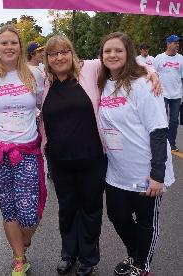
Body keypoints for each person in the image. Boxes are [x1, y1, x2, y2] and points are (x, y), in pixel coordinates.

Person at [39, 35, 161, 276]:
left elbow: (120, 59)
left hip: (92, 158)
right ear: (47, 59)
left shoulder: (90, 69)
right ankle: (68, 254)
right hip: (59, 161)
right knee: (67, 209)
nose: (60, 57)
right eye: (53, 54)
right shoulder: (44, 81)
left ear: (72, 53)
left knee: (90, 210)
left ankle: (88, 258)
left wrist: (150, 71)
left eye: (64, 51)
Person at [97, 32, 175, 276]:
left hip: (145, 169)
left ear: (128, 53)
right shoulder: (102, 82)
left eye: (118, 50)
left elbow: (159, 130)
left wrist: (157, 174)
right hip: (117, 170)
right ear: (101, 55)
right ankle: (136, 255)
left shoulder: (143, 84)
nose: (112, 55)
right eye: (107, 51)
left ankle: (142, 266)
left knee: (145, 222)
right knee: (117, 216)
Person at [0, 24, 46, 276]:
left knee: (28, 212)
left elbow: (44, 103)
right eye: (3, 43)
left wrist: (149, 71)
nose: (8, 47)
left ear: (20, 46)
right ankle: (19, 258)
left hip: (26, 150)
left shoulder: (34, 75)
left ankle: (23, 240)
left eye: (13, 43)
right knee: (8, 208)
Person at [153, 34, 183, 152]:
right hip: (163, 94)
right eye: (175, 42)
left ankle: (171, 143)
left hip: (176, 95)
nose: (177, 45)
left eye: (178, 43)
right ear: (168, 44)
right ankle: (162, 142)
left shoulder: (181, 58)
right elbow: (153, 74)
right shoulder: (159, 58)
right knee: (162, 119)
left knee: (174, 121)